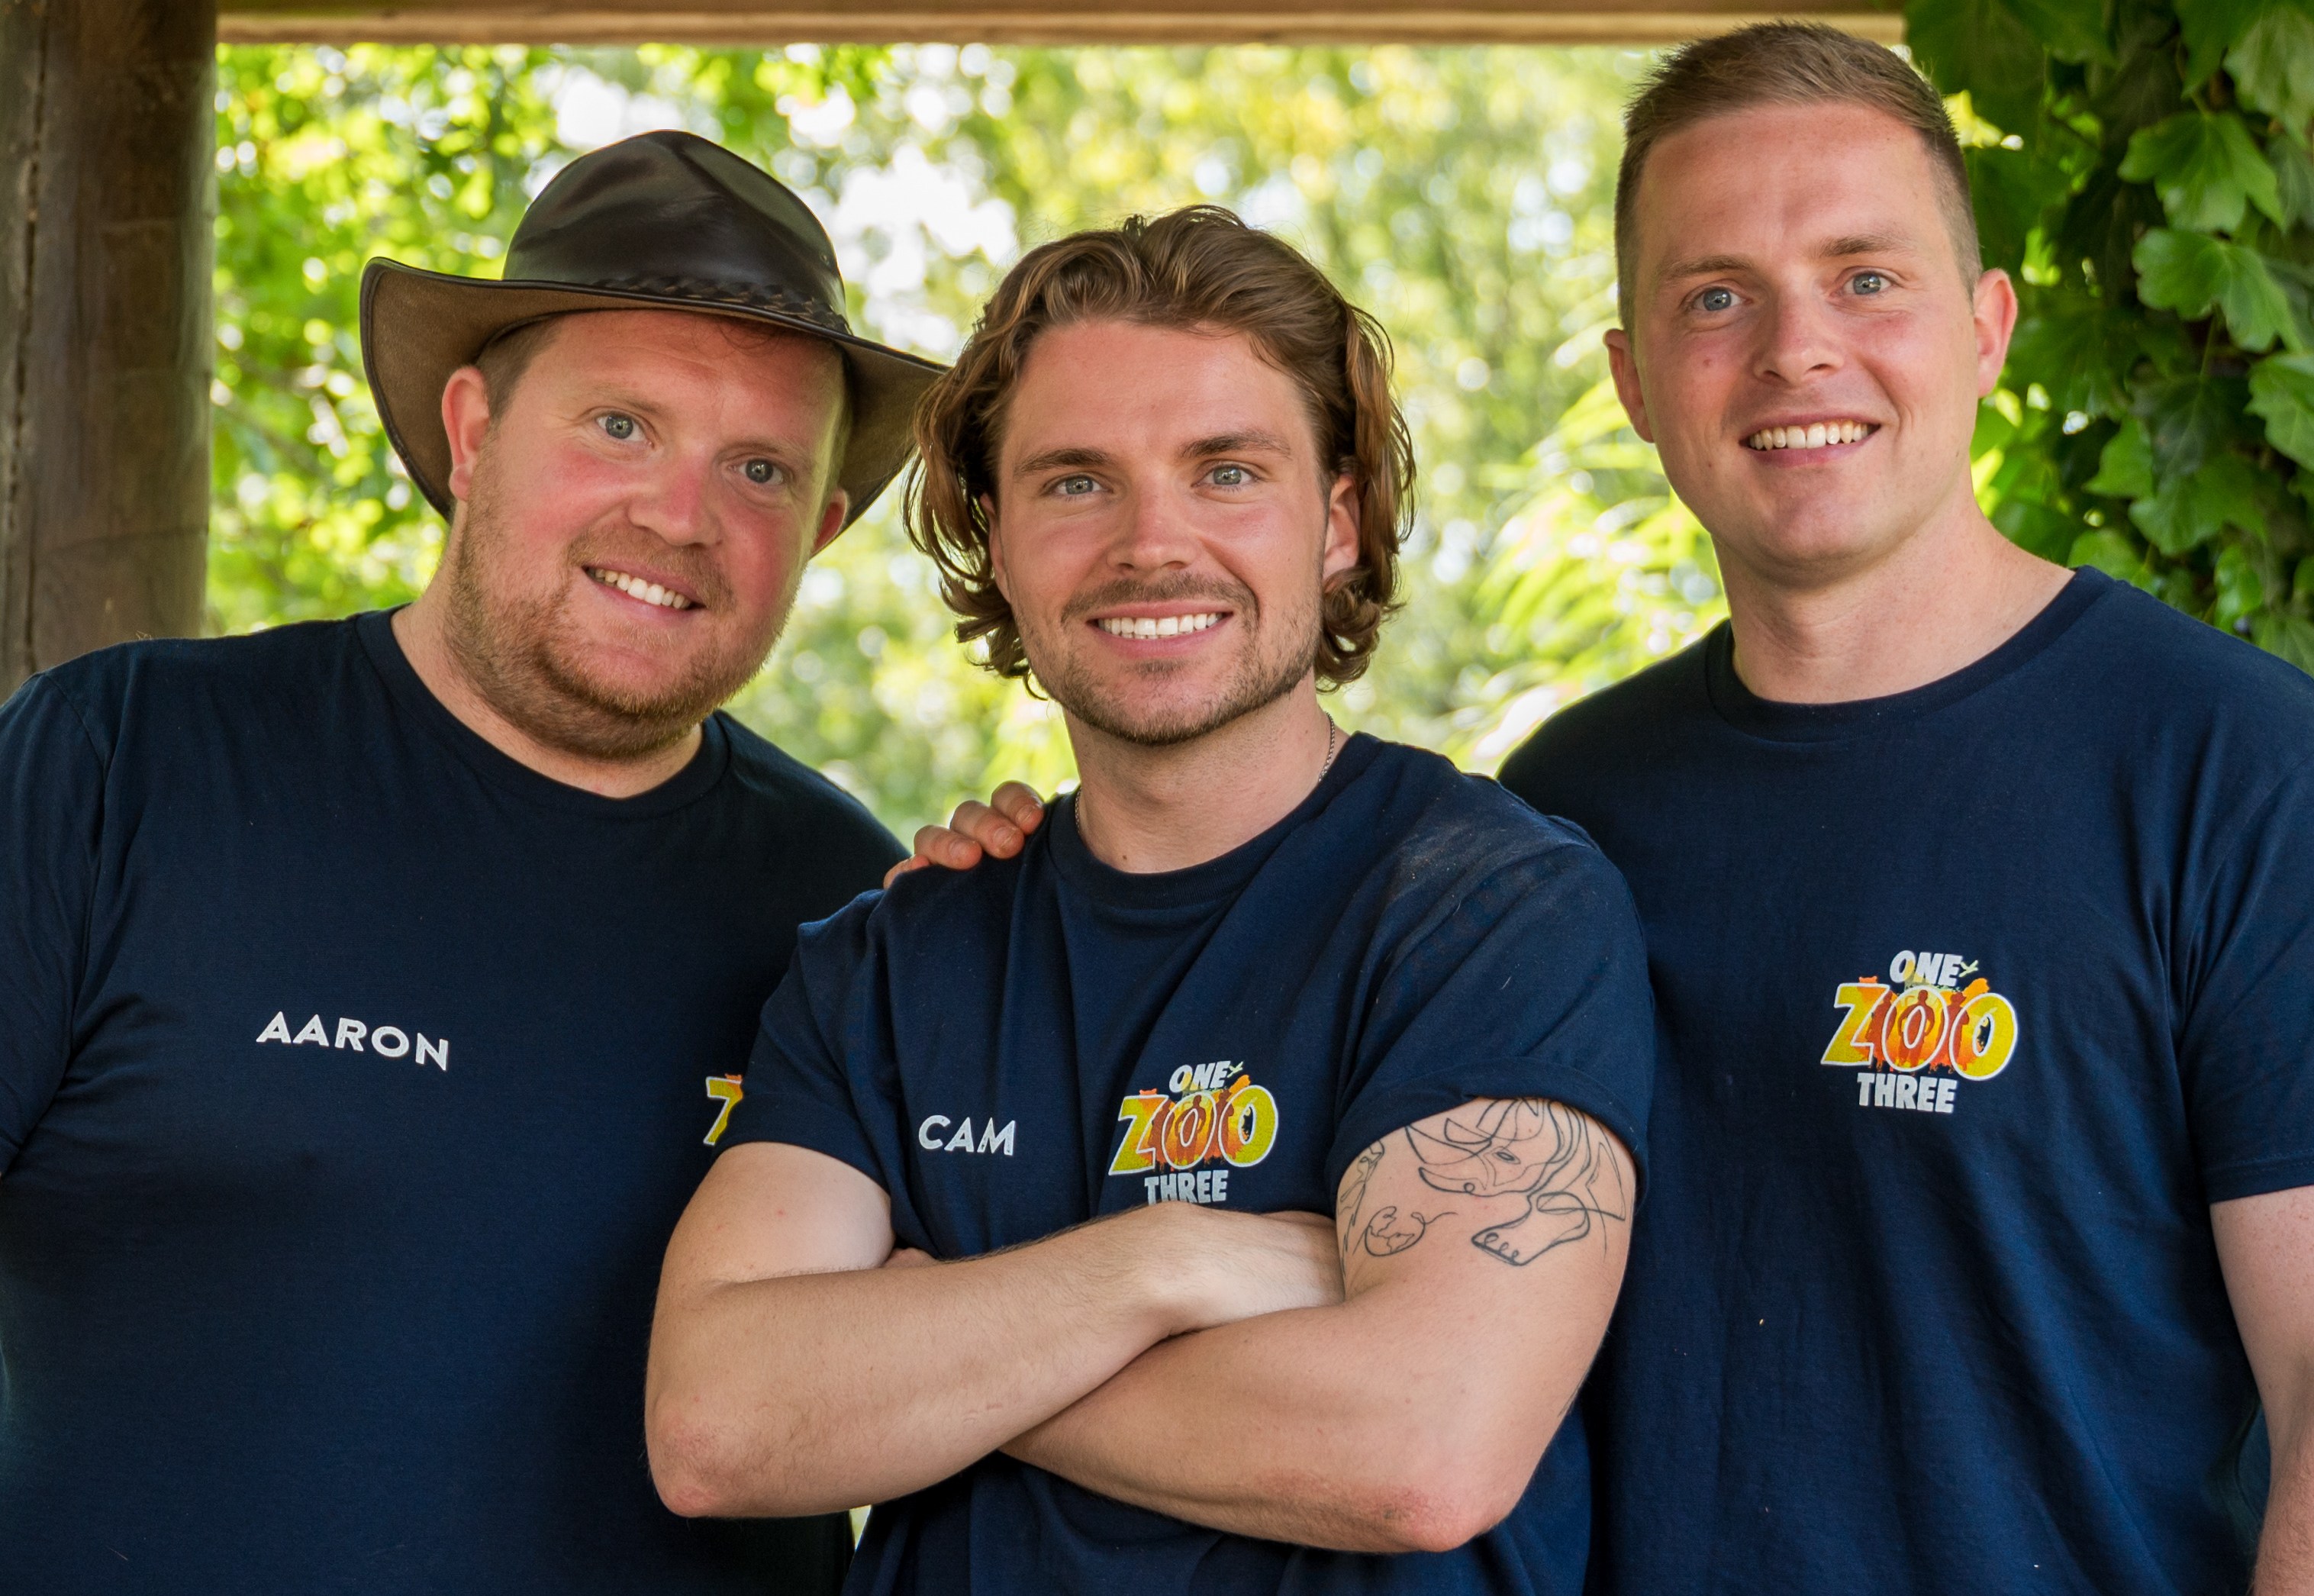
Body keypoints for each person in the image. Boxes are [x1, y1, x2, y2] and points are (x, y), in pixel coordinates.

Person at [910, 26, 2314, 1594]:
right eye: (1715, 297)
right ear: (1634, 379)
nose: (1795, 351)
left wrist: (956, 1394)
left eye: (1865, 278)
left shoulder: (2236, 771)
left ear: (1987, 329)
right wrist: (1036, 881)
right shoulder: (1556, 815)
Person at [643, 207, 1655, 1594]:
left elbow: (1422, 1448)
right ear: (995, 538)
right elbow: (717, 1426)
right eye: (1076, 483)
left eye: (1227, 472)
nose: (1151, 542)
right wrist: (1160, 1268)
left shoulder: (1488, 909)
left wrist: (929, 1344)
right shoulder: (891, 959)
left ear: (1338, 523)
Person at [0, 131, 942, 1593]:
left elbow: (982, 1361)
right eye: (619, 425)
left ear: (818, 531)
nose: (679, 518)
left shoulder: (859, 910)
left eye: (758, 469)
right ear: (471, 431)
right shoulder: (124, 763)